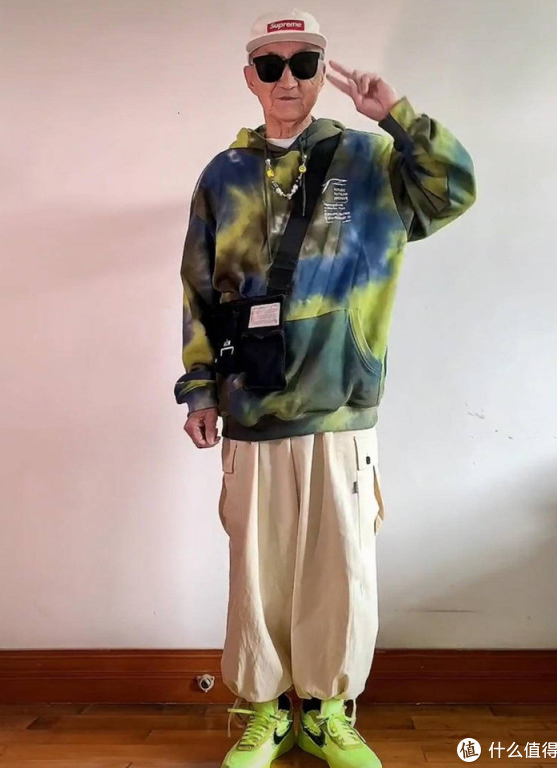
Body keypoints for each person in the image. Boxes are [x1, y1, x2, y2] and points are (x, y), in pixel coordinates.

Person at [174, 8, 476, 768]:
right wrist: (200, 388)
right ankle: (265, 713)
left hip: (342, 405)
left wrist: (397, 114)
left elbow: (454, 189)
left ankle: (330, 713)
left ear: (319, 72)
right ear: (250, 77)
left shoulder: (371, 160)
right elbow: (199, 290)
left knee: (341, 568)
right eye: (270, 65)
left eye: (303, 63)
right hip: (252, 408)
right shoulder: (223, 176)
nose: (288, 79)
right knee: (258, 571)